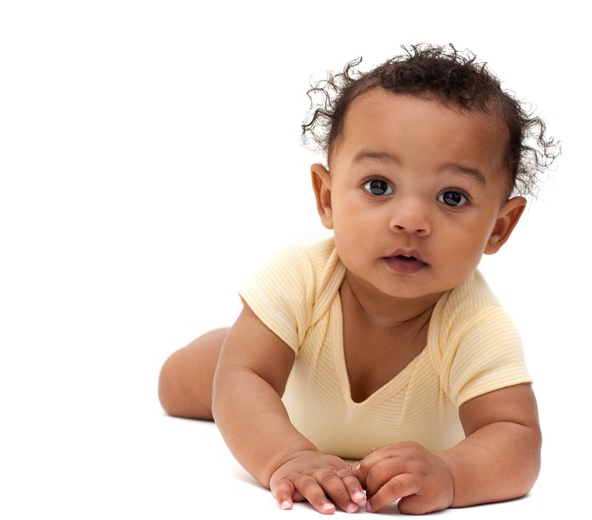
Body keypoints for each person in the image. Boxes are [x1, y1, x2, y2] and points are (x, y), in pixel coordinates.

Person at [158, 43, 558, 515]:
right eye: (379, 186)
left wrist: (452, 473)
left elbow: (515, 437)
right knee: (185, 382)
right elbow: (244, 380)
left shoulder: (477, 327)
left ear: (499, 227)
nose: (411, 221)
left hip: (323, 375)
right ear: (327, 198)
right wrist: (287, 456)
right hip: (286, 382)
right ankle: (236, 341)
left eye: (451, 197)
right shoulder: (300, 278)